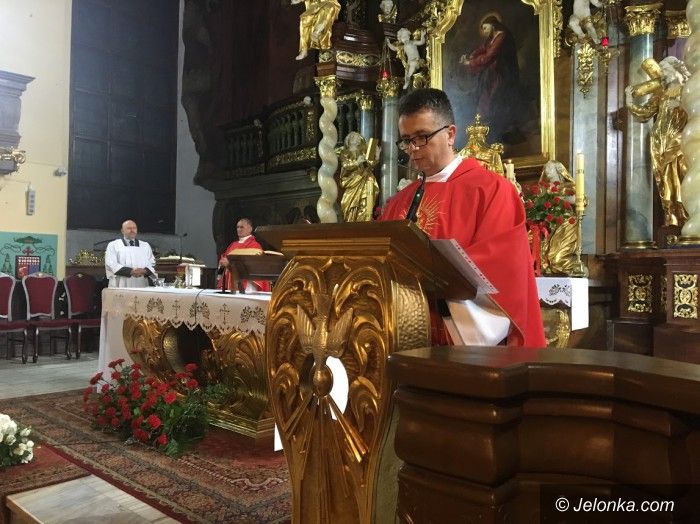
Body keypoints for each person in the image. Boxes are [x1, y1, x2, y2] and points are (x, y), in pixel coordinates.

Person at [379, 88, 545, 347]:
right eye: (407, 140)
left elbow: (501, 271)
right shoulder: (399, 201)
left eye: (422, 137)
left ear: (450, 134)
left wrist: (424, 279)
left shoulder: (492, 191)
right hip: (399, 336)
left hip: (458, 342)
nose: (413, 148)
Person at [625, 56, 690, 227]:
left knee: (682, 172)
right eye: (663, 72)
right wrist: (629, 101)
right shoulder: (661, 93)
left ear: (675, 69)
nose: (664, 75)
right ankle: (672, 216)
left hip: (680, 138)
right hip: (659, 140)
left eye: (666, 70)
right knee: (664, 177)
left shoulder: (687, 90)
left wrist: (680, 104)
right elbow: (645, 112)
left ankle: (688, 214)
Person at [459, 14, 521, 143]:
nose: (484, 31)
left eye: (485, 28)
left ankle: (500, 130)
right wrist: (471, 56)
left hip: (502, 75)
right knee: (486, 98)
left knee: (496, 100)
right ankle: (485, 129)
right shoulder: (492, 38)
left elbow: (489, 56)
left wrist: (470, 63)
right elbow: (482, 49)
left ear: (492, 26)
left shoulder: (502, 36)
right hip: (493, 75)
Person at [218, 218, 270, 292]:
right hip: (231, 282)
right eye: (237, 227)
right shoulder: (233, 245)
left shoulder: (254, 246)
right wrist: (222, 262)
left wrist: (230, 263)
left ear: (250, 229)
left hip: (248, 285)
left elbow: (253, 266)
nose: (239, 229)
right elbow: (224, 259)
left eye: (242, 227)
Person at [339, 132, 380, 222]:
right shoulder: (345, 152)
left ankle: (365, 222)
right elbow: (345, 165)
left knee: (366, 202)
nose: (357, 138)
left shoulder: (363, 152)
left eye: (358, 137)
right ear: (348, 141)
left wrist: (376, 157)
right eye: (354, 137)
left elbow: (370, 164)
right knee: (349, 205)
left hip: (366, 179)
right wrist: (357, 162)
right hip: (352, 182)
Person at [105, 220, 157, 288]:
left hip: (141, 282)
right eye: (129, 228)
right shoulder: (113, 245)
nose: (132, 230)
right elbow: (111, 263)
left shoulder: (145, 245)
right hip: (121, 282)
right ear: (122, 231)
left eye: (134, 228)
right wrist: (131, 271)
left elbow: (152, 262)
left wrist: (144, 271)